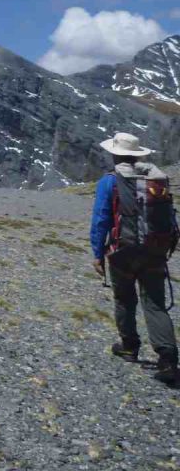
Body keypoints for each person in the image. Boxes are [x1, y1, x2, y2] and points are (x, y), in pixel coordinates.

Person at [90, 132, 179, 386]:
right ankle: (168, 359)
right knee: (155, 304)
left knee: (125, 298)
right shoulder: (156, 178)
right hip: (155, 250)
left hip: (123, 250)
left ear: (115, 154)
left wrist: (97, 253)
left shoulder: (110, 181)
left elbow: (101, 219)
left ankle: (129, 346)